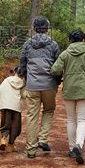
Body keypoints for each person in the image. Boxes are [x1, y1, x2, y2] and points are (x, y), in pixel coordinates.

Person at [51, 29, 85, 165]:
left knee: (71, 120)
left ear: (70, 40)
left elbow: (55, 70)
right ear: (83, 40)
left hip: (69, 89)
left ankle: (72, 148)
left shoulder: (65, 54)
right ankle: (79, 145)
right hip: (84, 90)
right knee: (81, 120)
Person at [19, 16, 60, 158]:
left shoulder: (27, 44)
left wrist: (25, 78)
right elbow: (57, 66)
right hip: (49, 85)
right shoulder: (53, 45)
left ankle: (31, 149)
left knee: (31, 116)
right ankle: (42, 139)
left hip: (32, 86)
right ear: (47, 28)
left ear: (34, 28)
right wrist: (57, 82)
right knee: (48, 111)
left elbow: (22, 65)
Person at [0, 66, 26, 153]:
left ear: (14, 72)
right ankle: (11, 145)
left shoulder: (6, 80)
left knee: (6, 124)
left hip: (5, 106)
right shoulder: (23, 83)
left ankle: (4, 139)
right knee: (15, 126)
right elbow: (24, 96)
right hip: (16, 107)